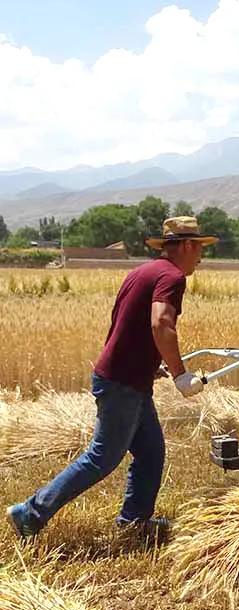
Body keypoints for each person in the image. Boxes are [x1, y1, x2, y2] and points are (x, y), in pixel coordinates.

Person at [5, 216, 218, 542]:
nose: (201, 258)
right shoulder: (172, 277)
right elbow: (160, 323)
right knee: (101, 458)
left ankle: (133, 523)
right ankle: (30, 513)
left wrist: (151, 366)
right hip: (123, 384)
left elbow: (126, 325)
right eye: (200, 249)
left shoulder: (143, 272)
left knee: (151, 452)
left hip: (127, 378)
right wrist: (180, 374)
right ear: (187, 245)